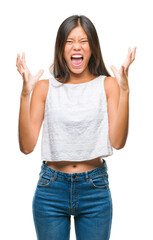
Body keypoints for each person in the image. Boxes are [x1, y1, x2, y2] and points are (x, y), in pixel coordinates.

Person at [16, 14, 136, 240]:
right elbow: (26, 146)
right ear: (61, 48)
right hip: (51, 189)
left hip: (95, 190)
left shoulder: (108, 85)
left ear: (93, 47)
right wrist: (25, 94)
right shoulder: (45, 88)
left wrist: (125, 91)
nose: (76, 47)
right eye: (69, 41)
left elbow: (118, 142)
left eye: (83, 41)